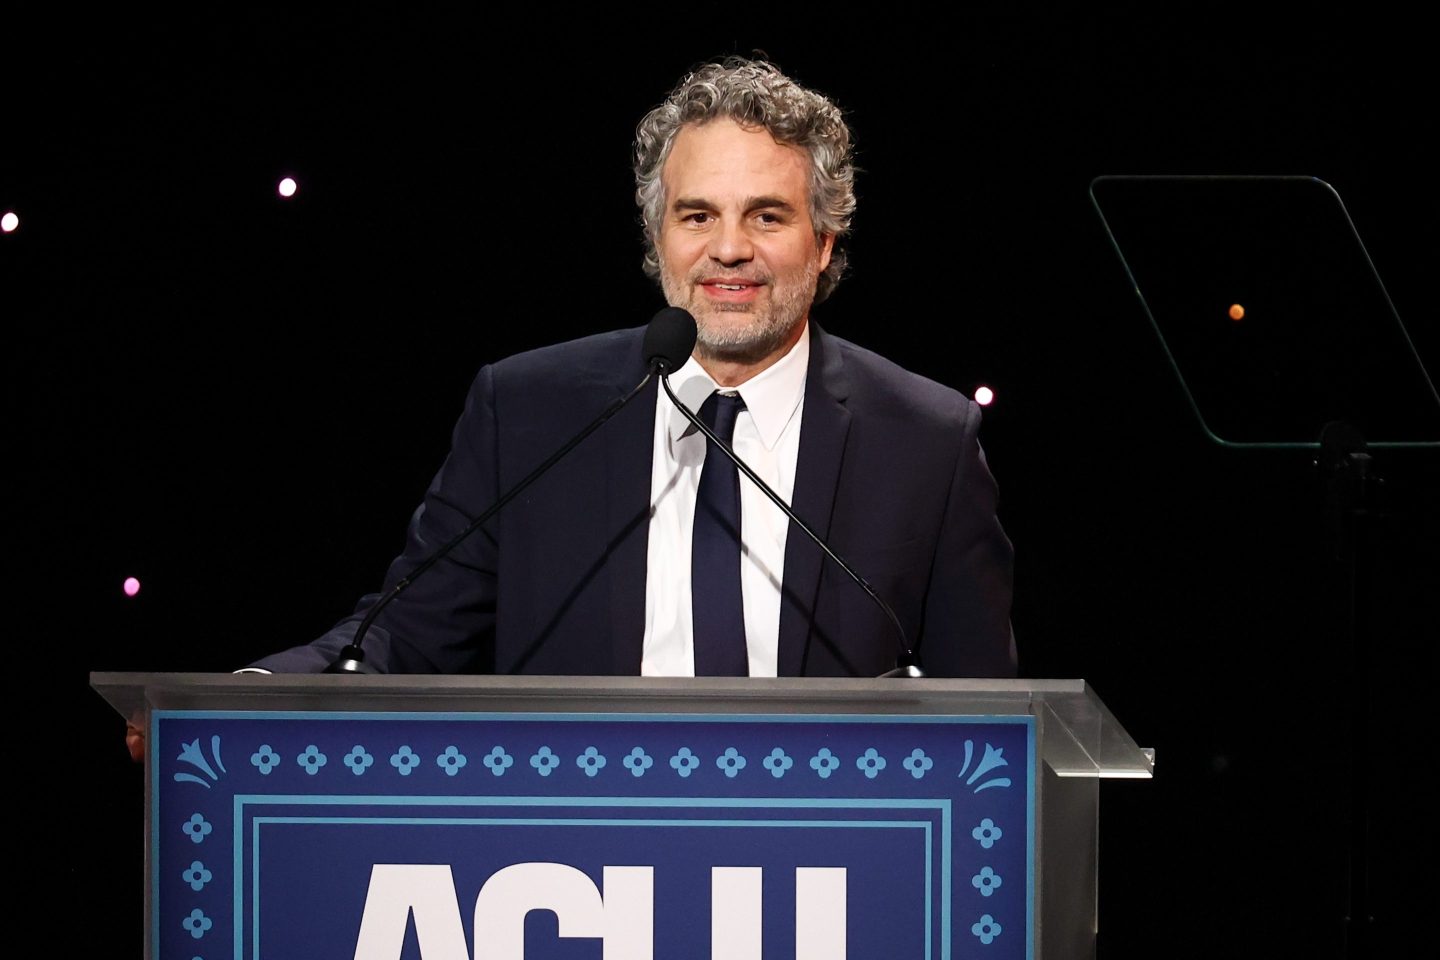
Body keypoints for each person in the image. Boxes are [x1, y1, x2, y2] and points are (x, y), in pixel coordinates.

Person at [127, 58, 1014, 757]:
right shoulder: (531, 412)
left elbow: (989, 729)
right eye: (696, 215)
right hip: (571, 867)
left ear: (824, 242)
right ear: (656, 237)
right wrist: (240, 704)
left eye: (768, 216)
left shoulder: (928, 444)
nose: (729, 249)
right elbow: (402, 635)